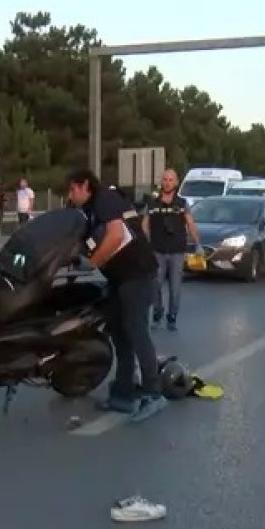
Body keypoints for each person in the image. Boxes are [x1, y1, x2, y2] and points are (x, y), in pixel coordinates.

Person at [65, 168, 166, 421]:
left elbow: (116, 234)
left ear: (85, 185)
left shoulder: (105, 199)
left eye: (73, 189)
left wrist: (92, 263)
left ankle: (154, 393)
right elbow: (87, 244)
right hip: (119, 278)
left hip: (137, 274)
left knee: (136, 331)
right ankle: (123, 393)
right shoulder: (88, 211)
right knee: (119, 333)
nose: (70, 194)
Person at [142, 168, 202, 331]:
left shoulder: (182, 203)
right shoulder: (152, 204)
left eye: (171, 180)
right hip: (157, 250)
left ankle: (172, 317)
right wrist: (144, 245)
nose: (167, 183)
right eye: (165, 179)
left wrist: (198, 244)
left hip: (177, 251)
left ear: (176, 183)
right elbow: (144, 226)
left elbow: (190, 224)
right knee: (155, 285)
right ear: (161, 182)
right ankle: (157, 312)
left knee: (175, 288)